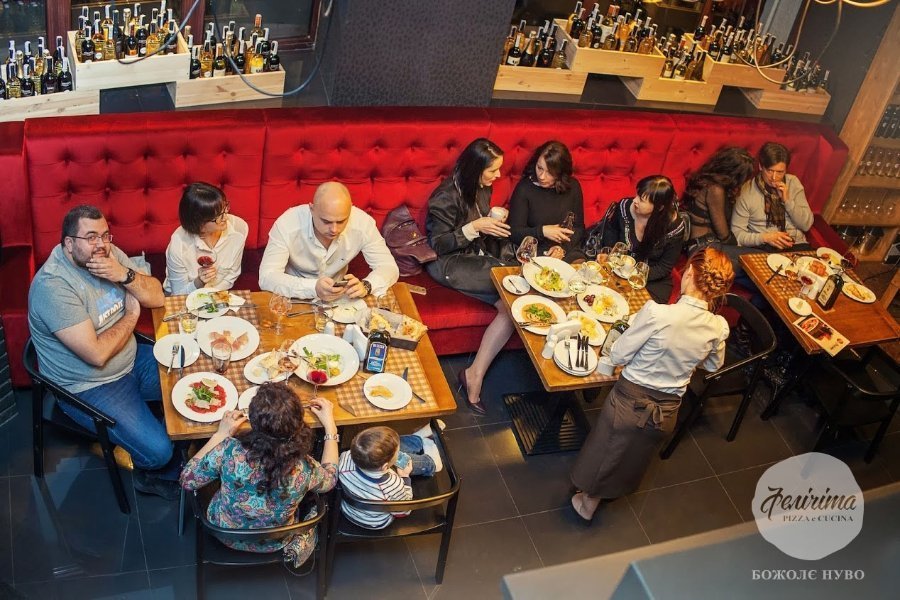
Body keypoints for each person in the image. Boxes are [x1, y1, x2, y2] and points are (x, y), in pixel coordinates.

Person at [569, 247, 734, 523]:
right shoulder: (718, 326)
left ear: (689, 273)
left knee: (606, 452)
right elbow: (713, 365)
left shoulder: (657, 314)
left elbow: (619, 355)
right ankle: (604, 493)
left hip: (628, 401)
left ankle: (587, 503)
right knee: (633, 456)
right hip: (666, 412)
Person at [27, 205, 177, 499]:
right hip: (89, 385)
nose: (101, 244)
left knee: (192, 382)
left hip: (131, 357)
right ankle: (151, 472)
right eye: (91, 237)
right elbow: (96, 355)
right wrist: (132, 315)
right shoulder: (53, 286)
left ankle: (158, 426)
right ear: (69, 243)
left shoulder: (108, 254)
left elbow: (157, 297)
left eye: (105, 235)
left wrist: (125, 274)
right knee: (160, 452)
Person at [179, 383, 339, 567]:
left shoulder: (229, 451)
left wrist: (220, 435)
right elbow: (330, 479)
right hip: (277, 539)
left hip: (226, 533)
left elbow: (187, 480)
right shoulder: (305, 467)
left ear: (253, 422)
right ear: (298, 424)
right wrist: (331, 428)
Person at [426, 138, 517, 415]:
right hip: (448, 262)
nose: (498, 175)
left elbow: (478, 221)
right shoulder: (445, 196)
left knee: (510, 307)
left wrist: (490, 222)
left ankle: (473, 373)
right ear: (475, 169)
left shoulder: (482, 187)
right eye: (493, 170)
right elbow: (438, 244)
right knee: (509, 283)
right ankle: (473, 377)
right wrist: (476, 226)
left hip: (474, 255)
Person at [258, 181, 400, 301]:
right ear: (312, 209)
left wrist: (367, 285)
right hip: (292, 295)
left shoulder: (363, 223)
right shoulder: (287, 224)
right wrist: (313, 288)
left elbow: (389, 267)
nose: (334, 229)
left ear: (350, 210)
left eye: (341, 221)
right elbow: (267, 277)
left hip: (340, 295)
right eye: (326, 221)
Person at [586, 175, 685, 303]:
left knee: (640, 309)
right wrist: (609, 253)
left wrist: (633, 274)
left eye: (642, 200)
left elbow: (664, 267)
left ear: (659, 207)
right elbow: (611, 232)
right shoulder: (624, 207)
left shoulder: (674, 227)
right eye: (637, 195)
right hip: (618, 268)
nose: (635, 201)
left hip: (650, 279)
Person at [337, 424, 443, 529]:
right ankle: (432, 463)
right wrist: (405, 477)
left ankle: (417, 439)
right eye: (396, 454)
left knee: (386, 448)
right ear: (385, 467)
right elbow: (403, 511)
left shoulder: (345, 457)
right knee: (404, 460)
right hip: (377, 522)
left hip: (349, 511)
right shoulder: (392, 484)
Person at [163, 182, 249, 295]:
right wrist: (199, 282)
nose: (225, 217)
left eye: (225, 208)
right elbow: (178, 293)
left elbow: (231, 276)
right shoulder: (179, 244)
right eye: (217, 216)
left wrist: (211, 296)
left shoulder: (239, 229)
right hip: (183, 297)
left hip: (217, 294)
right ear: (200, 224)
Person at [508, 141, 585, 262]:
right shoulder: (525, 188)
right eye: (539, 168)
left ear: (560, 173)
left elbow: (579, 228)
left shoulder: (573, 187)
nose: (542, 176)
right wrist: (543, 231)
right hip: (534, 251)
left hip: (566, 249)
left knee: (581, 267)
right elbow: (514, 233)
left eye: (550, 172)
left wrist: (561, 249)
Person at [732, 142, 814, 252]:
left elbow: (806, 225)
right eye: (770, 171)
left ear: (786, 170)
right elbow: (737, 235)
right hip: (764, 248)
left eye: (780, 172)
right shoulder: (746, 191)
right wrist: (765, 238)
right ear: (761, 167)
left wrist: (787, 201)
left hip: (797, 244)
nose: (774, 177)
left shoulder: (793, 183)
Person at [683, 146, 755, 259]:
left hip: (706, 245)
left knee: (753, 257)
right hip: (702, 249)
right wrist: (737, 244)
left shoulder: (710, 181)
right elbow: (723, 235)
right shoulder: (715, 189)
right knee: (755, 258)